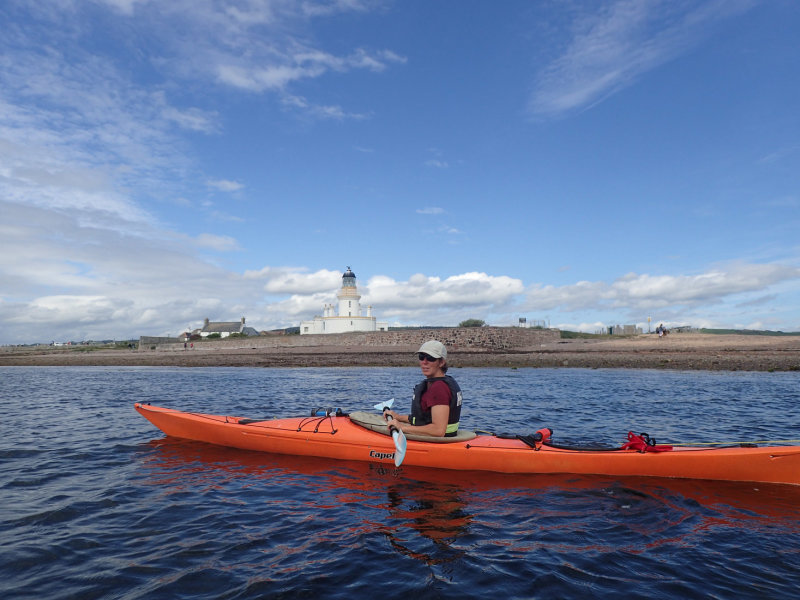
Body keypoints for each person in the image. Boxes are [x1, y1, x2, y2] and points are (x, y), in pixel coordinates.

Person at [385, 340, 463, 437]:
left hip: (438, 444)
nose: (424, 362)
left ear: (441, 362)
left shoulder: (439, 388)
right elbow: (423, 418)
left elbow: (438, 430)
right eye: (421, 357)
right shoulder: (437, 383)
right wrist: (398, 417)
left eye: (431, 358)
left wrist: (402, 427)